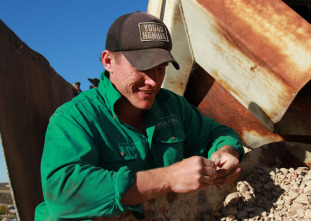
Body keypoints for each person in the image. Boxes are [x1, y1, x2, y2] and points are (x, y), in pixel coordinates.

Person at [35, 11, 244, 220]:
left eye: (160, 69)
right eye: (142, 67)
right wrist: (169, 177)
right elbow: (63, 194)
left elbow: (217, 134)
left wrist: (226, 152)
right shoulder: (74, 118)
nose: (153, 81)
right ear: (108, 61)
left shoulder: (173, 106)